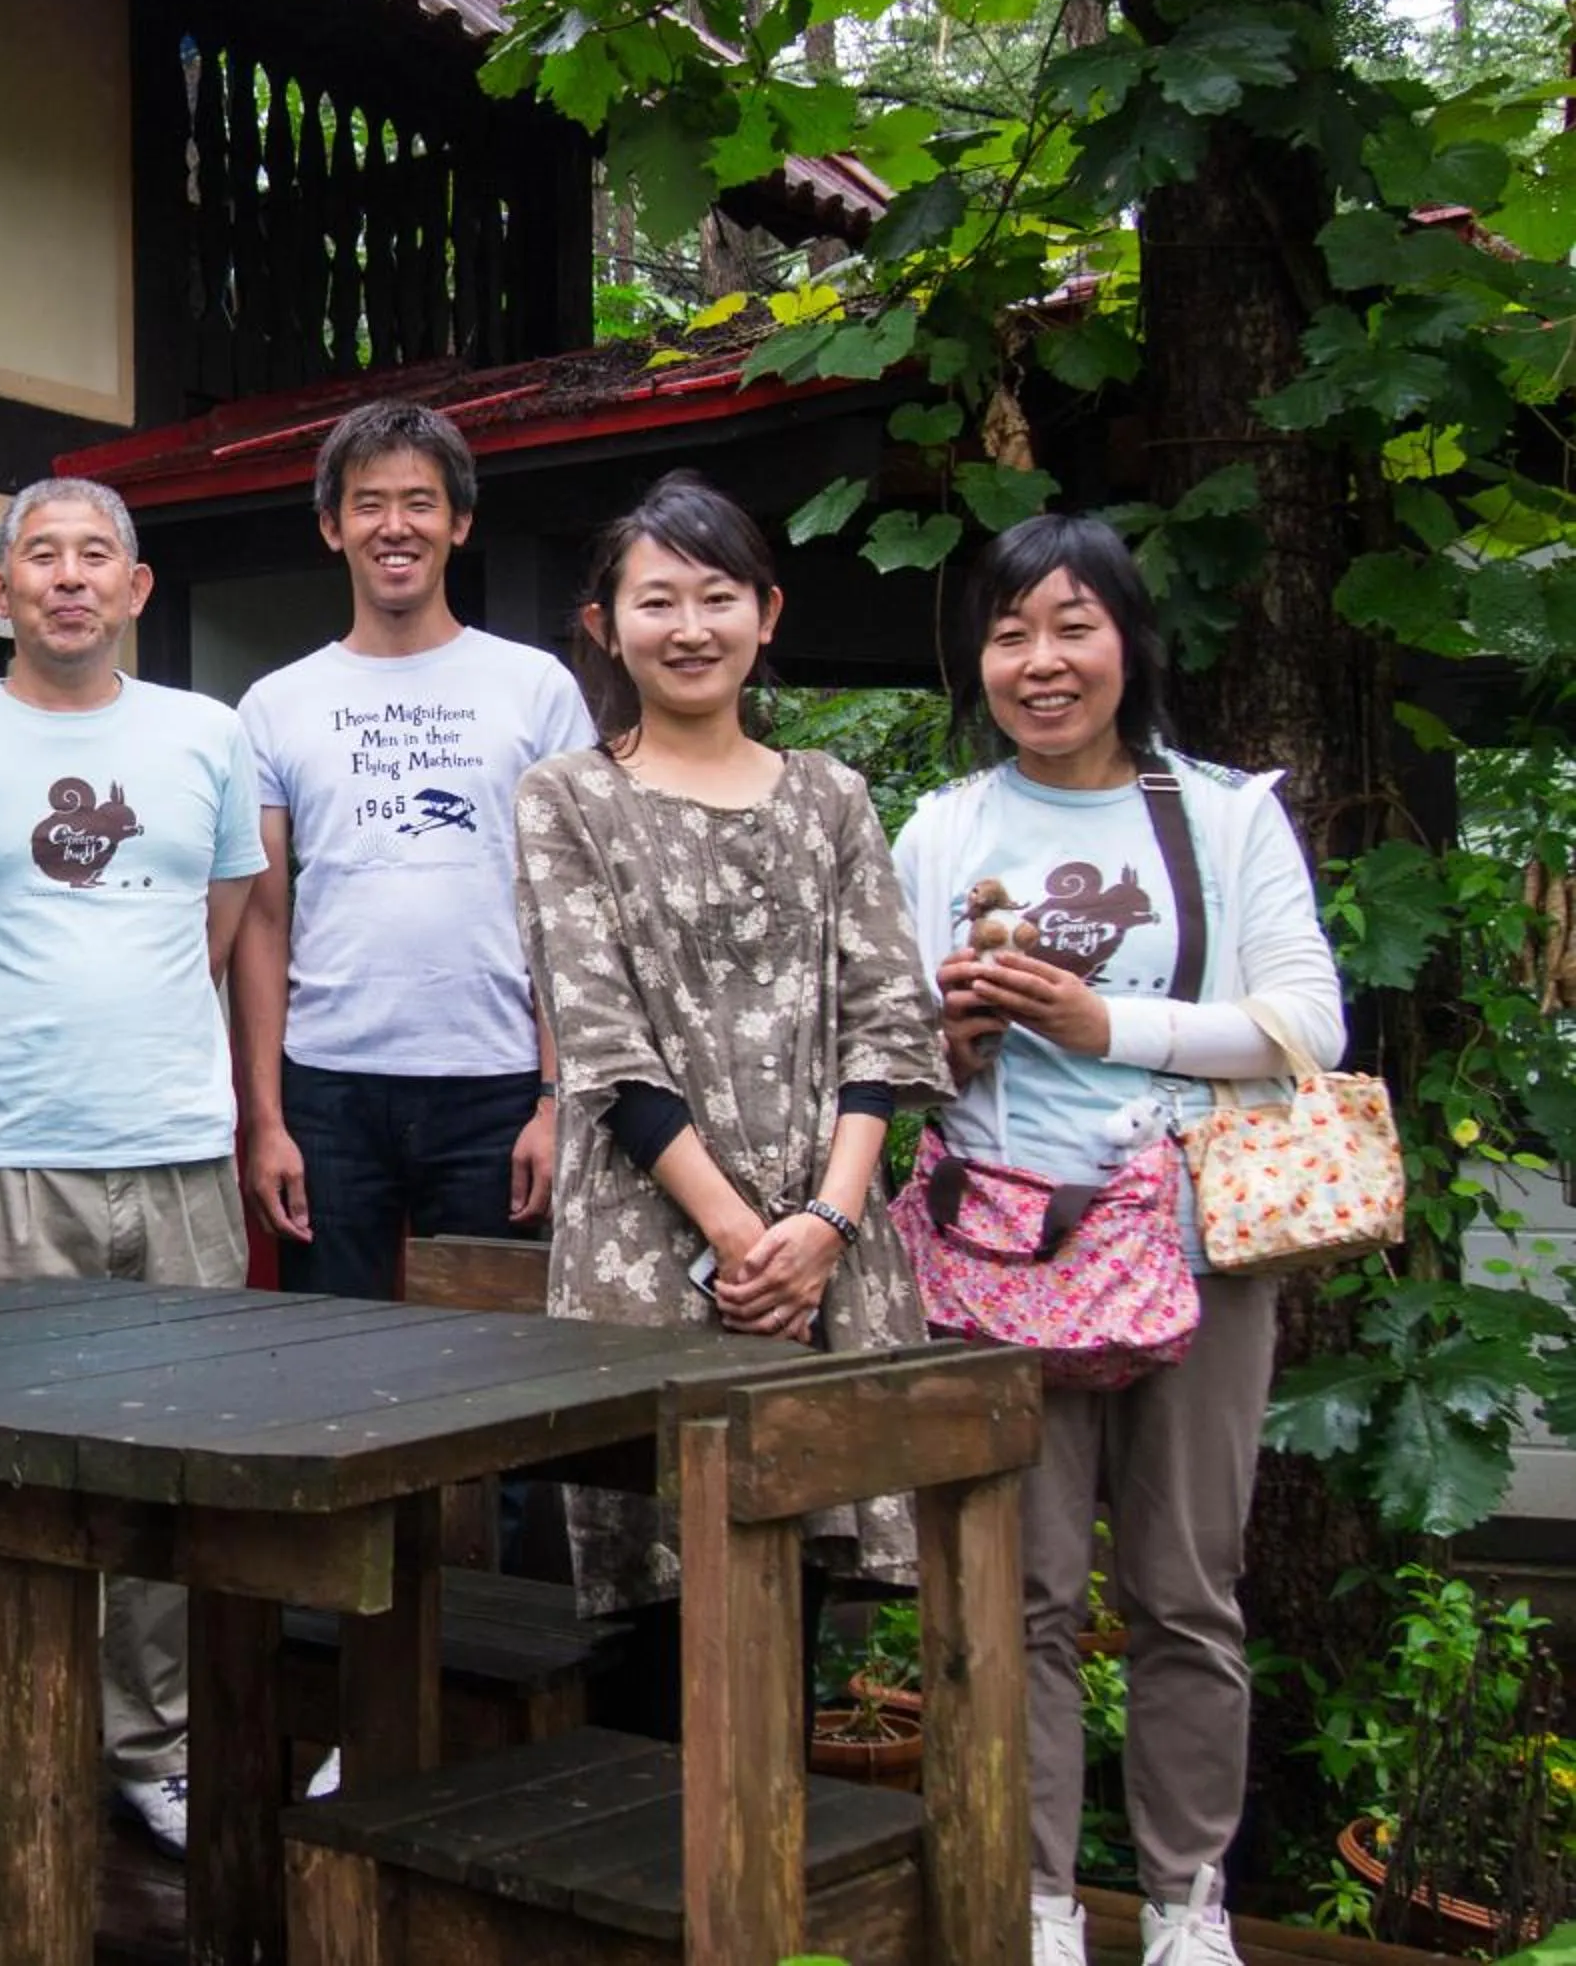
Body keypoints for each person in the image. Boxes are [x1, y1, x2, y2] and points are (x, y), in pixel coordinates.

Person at [892, 515, 1341, 1966]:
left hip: (1195, 1245)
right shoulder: (945, 826)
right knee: (1016, 1596)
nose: (1042, 660)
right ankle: (1034, 1899)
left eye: (1073, 626)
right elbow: (895, 1052)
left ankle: (1184, 1902)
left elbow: (1308, 1025)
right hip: (1003, 1248)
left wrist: (1107, 1024)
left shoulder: (1220, 813)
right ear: (979, 656)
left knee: (1183, 1590)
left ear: (1129, 641)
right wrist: (951, 1039)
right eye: (1012, 631)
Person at [0, 476, 264, 1864]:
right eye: (43, 554)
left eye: (99, 554)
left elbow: (218, 924)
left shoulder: (207, 736)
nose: (72, 576)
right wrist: (3, 1053)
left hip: (179, 1160)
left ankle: (157, 1744)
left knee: (176, 1469)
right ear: (5, 584)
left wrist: (130, 1046)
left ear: (137, 588)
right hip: (0, 1157)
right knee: (0, 1473)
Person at [510, 469, 948, 1704]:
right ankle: (654, 1895)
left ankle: (768, 1896)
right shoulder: (567, 798)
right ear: (605, 624)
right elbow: (599, 1040)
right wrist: (745, 1239)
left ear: (768, 612)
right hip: (651, 1249)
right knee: (660, 1610)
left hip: (829, 1238)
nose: (689, 627)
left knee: (792, 1599)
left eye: (718, 597)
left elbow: (884, 1020)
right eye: (657, 601)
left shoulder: (832, 797)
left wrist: (828, 1224)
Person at [233, 397, 591, 1297]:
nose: (395, 527)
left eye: (421, 502)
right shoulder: (276, 703)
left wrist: (554, 1101)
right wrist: (267, 1118)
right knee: (327, 1350)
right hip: (329, 1084)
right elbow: (263, 921)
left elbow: (568, 911)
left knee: (493, 1355)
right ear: (331, 526)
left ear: (459, 521)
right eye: (368, 503)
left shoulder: (535, 688)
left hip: (495, 1081)